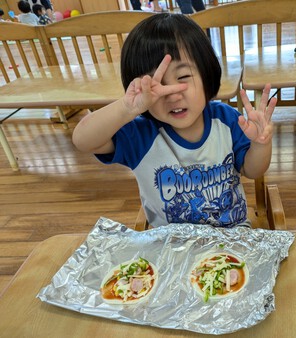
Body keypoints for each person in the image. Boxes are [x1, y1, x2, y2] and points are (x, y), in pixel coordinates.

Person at [72, 14, 276, 228]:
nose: (171, 94)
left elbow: (253, 170)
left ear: (206, 74)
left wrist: (261, 144)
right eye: (155, 85)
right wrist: (127, 108)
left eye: (183, 77)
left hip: (233, 238)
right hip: (170, 247)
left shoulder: (226, 119)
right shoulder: (140, 134)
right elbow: (83, 140)